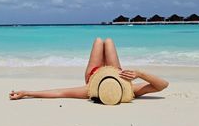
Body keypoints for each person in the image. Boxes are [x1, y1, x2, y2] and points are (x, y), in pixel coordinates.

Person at [9, 38, 169, 100]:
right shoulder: (130, 88)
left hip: (94, 77)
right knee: (109, 41)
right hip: (117, 74)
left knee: (100, 42)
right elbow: (163, 85)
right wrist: (139, 73)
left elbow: (59, 93)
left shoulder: (89, 90)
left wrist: (27, 93)